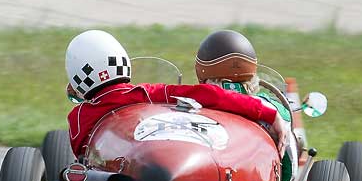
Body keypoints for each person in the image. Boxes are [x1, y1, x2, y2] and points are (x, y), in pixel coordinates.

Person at [65, 30, 290, 158]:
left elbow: (79, 157)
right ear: (122, 62)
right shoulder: (146, 94)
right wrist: (268, 113)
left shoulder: (78, 117)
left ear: (77, 77)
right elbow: (210, 95)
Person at [194, 30, 297, 181]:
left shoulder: (197, 102)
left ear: (202, 69)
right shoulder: (272, 109)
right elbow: (289, 173)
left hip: (205, 178)